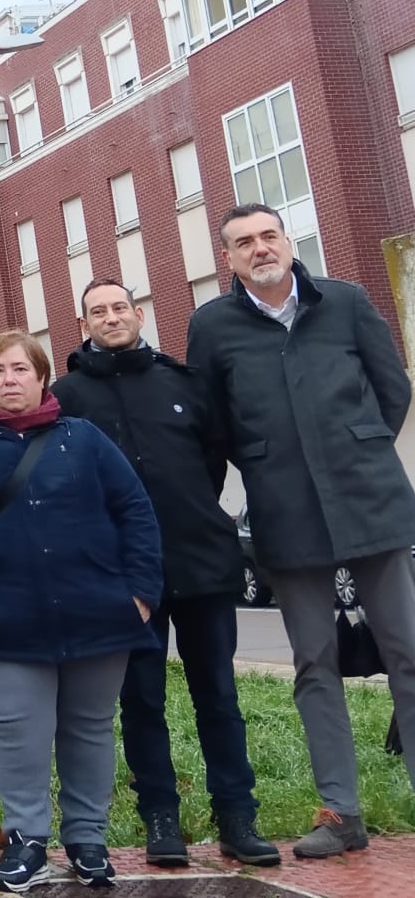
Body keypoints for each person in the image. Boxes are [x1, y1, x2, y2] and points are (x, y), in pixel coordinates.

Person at [188, 203, 415, 859]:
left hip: (370, 503)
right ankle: (340, 814)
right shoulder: (212, 327)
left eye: (268, 236)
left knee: (408, 654)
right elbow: (211, 421)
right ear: (227, 259)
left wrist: (360, 443)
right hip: (285, 516)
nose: (260, 249)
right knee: (315, 663)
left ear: (289, 242)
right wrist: (261, 461)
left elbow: (392, 388)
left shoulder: (345, 302)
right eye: (243, 243)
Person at [0, 332, 164, 893]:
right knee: (18, 734)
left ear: (41, 378)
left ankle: (87, 840)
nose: (11, 380)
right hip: (6, 621)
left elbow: (135, 511)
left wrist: (141, 593)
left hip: (99, 614)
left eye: (21, 370)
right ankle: (27, 840)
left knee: (89, 730)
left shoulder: (82, 438)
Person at [59, 278, 278, 866]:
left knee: (219, 696)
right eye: (97, 312)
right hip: (122, 580)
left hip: (200, 564)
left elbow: (210, 466)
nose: (111, 317)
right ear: (84, 326)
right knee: (142, 702)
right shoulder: (68, 397)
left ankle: (237, 815)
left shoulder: (183, 383)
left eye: (119, 307)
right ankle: (160, 818)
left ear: (138, 314)